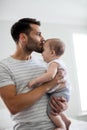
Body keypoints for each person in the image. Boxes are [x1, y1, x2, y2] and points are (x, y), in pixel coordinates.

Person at [0, 18, 68, 130]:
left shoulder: (46, 63)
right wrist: (47, 86)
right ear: (23, 38)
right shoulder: (3, 67)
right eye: (39, 34)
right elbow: (13, 106)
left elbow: (59, 88)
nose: (43, 39)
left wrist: (63, 105)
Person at [28, 38, 71, 130]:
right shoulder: (59, 62)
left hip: (60, 92)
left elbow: (50, 76)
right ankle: (66, 121)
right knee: (54, 108)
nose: (41, 53)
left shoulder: (53, 63)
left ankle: (61, 126)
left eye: (43, 50)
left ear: (52, 53)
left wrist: (35, 81)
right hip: (63, 91)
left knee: (51, 111)